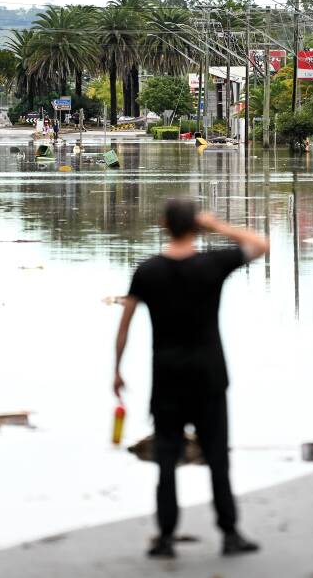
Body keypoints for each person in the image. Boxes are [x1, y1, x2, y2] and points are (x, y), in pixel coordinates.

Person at [113, 199, 269, 559]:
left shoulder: (148, 270)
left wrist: (117, 370)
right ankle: (229, 534)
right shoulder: (212, 264)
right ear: (195, 226)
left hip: (167, 376)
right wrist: (217, 226)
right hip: (209, 376)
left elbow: (125, 325)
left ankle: (165, 538)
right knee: (217, 456)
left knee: (166, 458)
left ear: (164, 225)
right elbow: (260, 245)